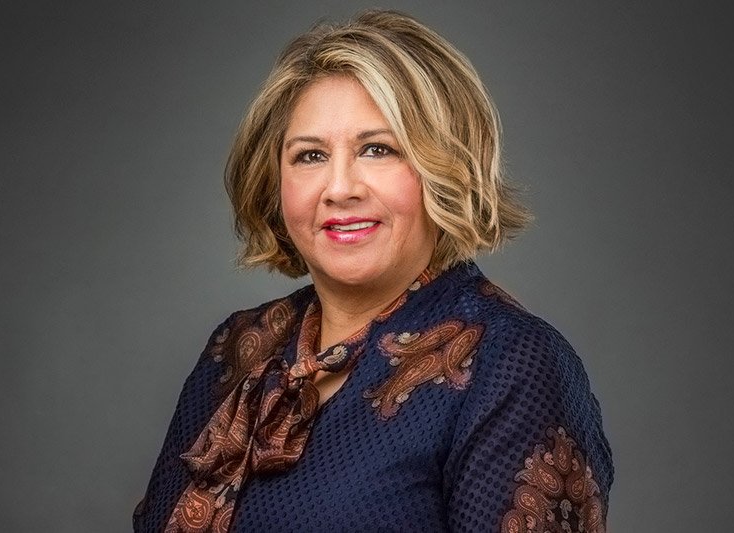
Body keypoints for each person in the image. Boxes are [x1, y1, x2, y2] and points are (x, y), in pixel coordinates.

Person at [134, 10, 613, 533]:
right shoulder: (238, 348)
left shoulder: (512, 364)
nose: (340, 188)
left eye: (377, 149)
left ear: (447, 168)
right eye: (310, 155)